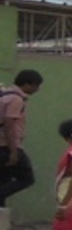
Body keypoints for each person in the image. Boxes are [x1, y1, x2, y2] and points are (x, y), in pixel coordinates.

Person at [0, 68, 43, 207]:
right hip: (7, 146)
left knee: (4, 180)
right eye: (36, 86)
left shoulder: (4, 95)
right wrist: (13, 151)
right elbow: (9, 124)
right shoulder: (16, 100)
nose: (37, 90)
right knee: (27, 178)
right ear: (27, 84)